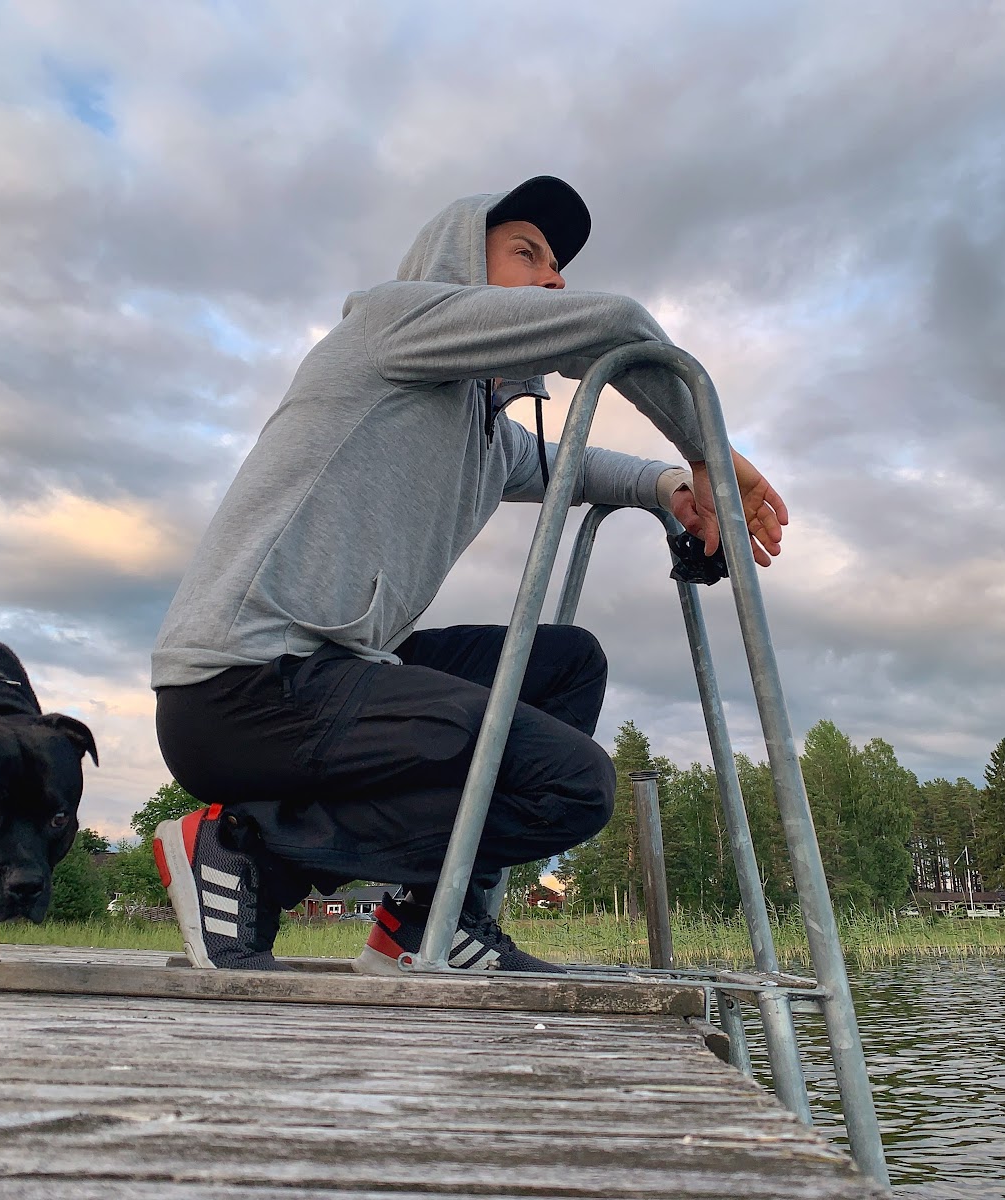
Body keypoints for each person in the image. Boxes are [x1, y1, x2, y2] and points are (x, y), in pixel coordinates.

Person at [150, 176, 785, 973]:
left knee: (567, 665)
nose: (554, 281)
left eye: (558, 268)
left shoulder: (484, 432)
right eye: (528, 254)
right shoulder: (392, 325)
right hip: (240, 689)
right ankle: (249, 851)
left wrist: (671, 486)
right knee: (573, 785)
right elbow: (616, 324)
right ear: (458, 264)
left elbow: (575, 465)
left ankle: (428, 921)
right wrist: (709, 449)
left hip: (334, 674)